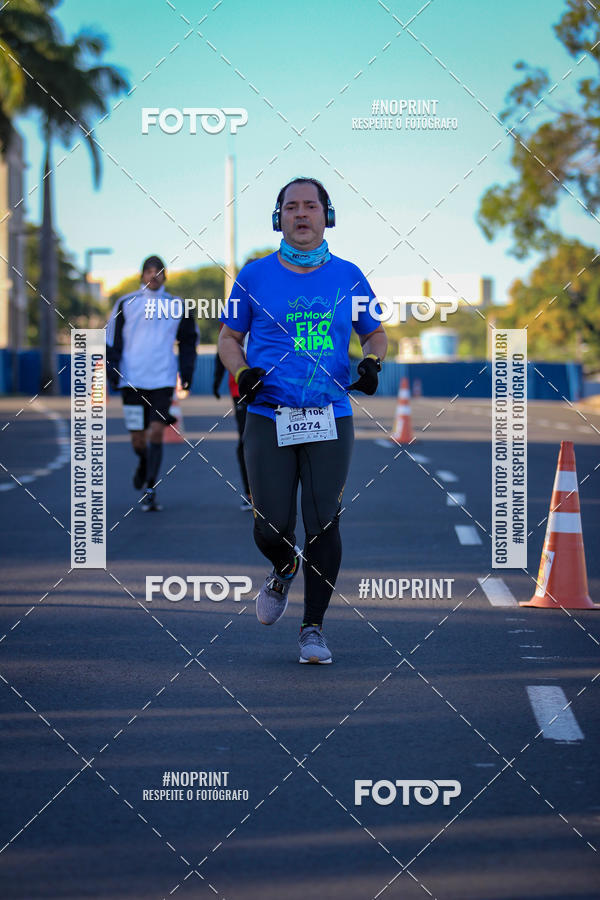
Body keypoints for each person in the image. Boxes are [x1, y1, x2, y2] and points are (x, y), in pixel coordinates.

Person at [218, 177, 387, 664]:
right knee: (269, 527)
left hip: (329, 415)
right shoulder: (253, 276)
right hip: (269, 414)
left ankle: (313, 629)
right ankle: (282, 565)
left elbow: (375, 333)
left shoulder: (349, 275)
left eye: (310, 206)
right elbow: (229, 337)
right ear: (279, 219)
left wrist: (372, 362)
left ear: (326, 215)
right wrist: (241, 369)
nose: (301, 214)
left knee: (322, 523)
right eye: (290, 207)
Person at [106, 255, 197, 511]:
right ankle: (144, 465)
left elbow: (189, 342)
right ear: (142, 275)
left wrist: (186, 373)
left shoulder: (178, 305)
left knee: (157, 431)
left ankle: (150, 487)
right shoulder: (125, 303)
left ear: (165, 276)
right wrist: (113, 371)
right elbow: (110, 340)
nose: (153, 276)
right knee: (138, 439)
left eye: (158, 272)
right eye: (149, 271)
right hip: (131, 380)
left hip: (162, 379)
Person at [213, 343, 252, 510]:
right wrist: (217, 379)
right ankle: (250, 492)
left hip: (274, 386)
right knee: (246, 439)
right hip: (241, 389)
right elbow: (224, 345)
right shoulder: (233, 316)